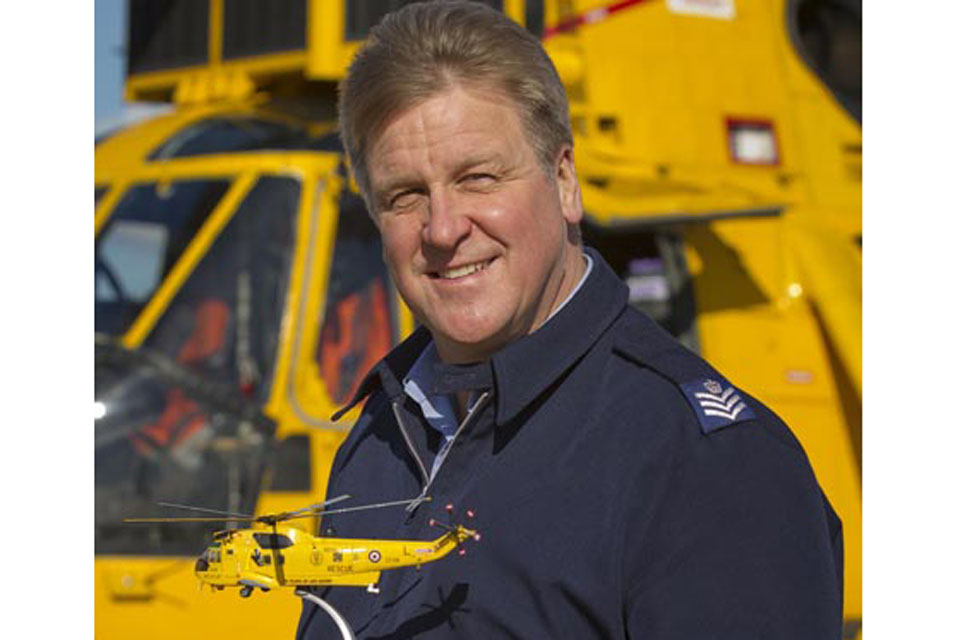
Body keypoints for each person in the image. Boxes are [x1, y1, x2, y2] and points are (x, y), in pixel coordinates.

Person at [297, 2, 843, 638]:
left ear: (563, 182)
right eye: (405, 196)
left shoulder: (705, 464)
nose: (442, 229)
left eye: (478, 178)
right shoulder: (381, 438)